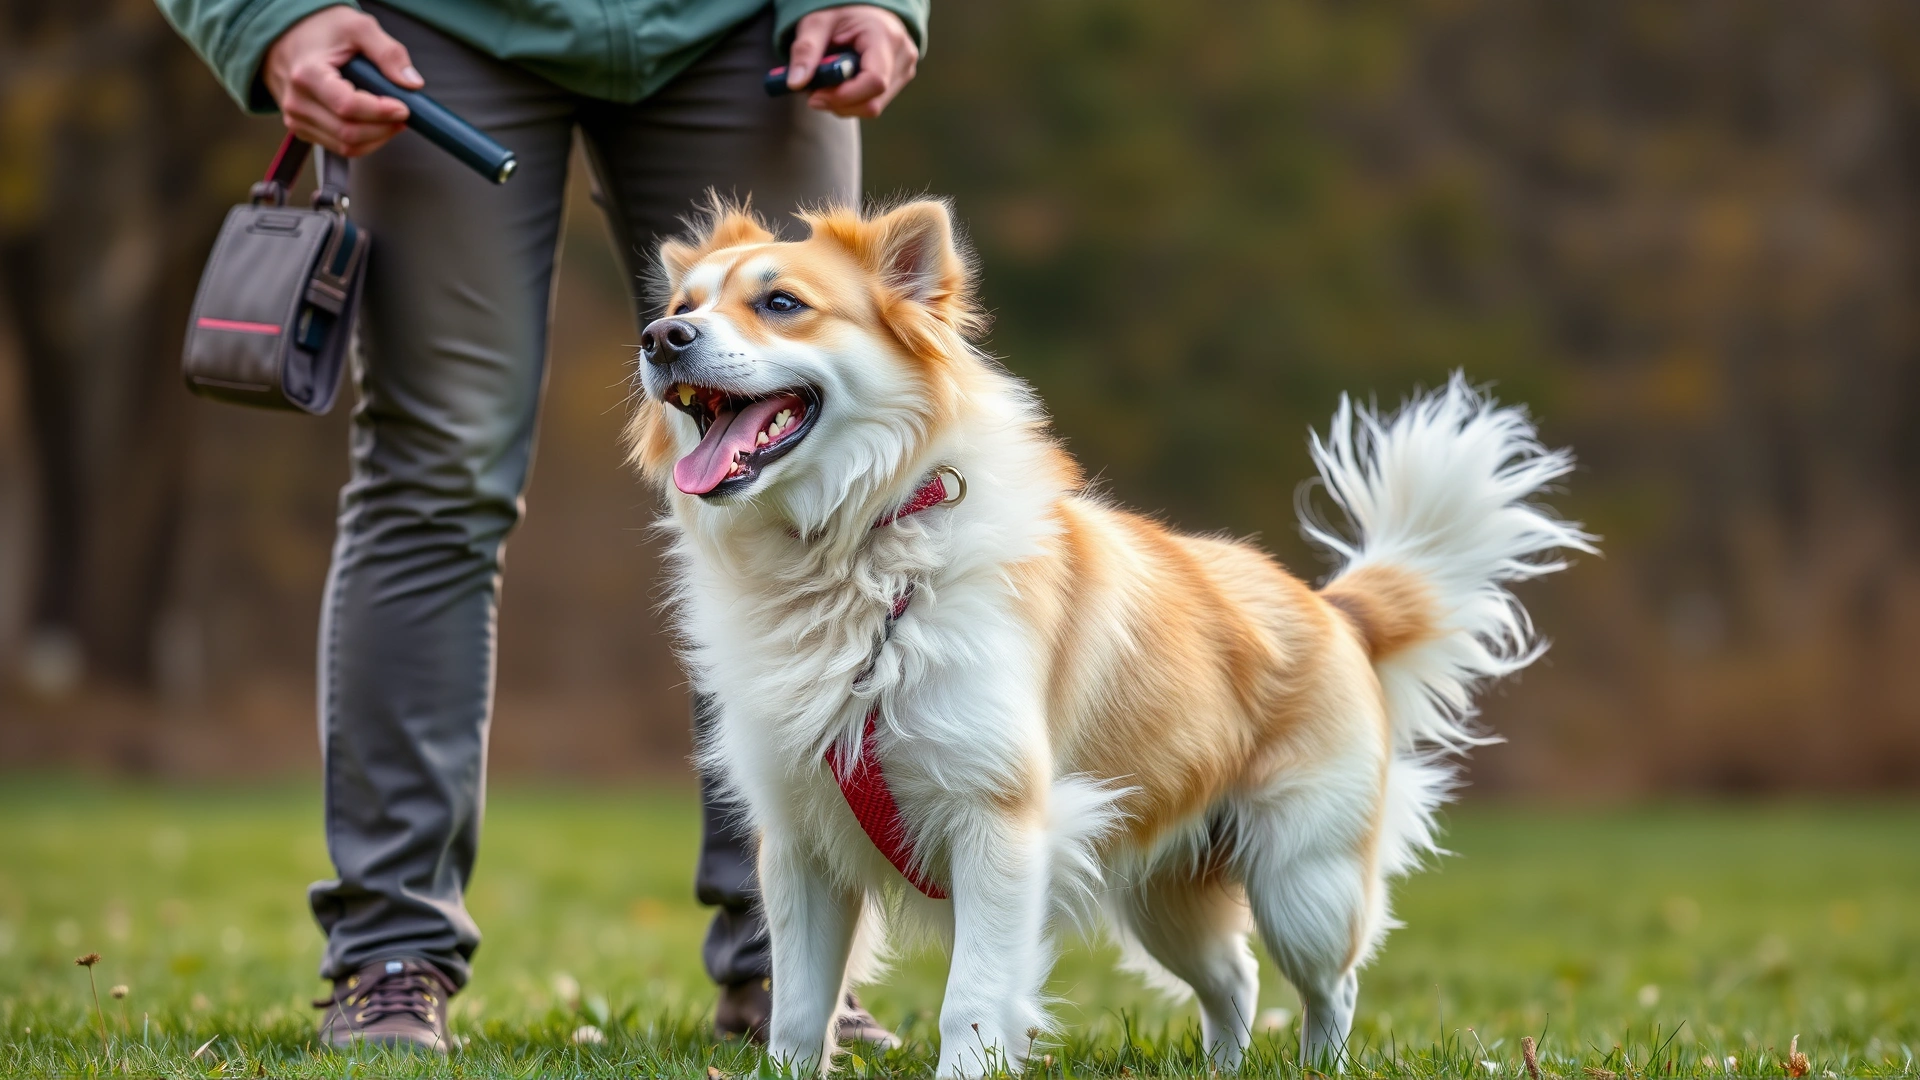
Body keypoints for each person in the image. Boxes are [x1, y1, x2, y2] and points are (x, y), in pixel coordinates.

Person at [154, 0, 927, 1053]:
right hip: (439, 37)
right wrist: (268, 17)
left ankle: (792, 965)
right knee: (435, 480)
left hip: (744, 33)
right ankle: (392, 951)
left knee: (814, 473)